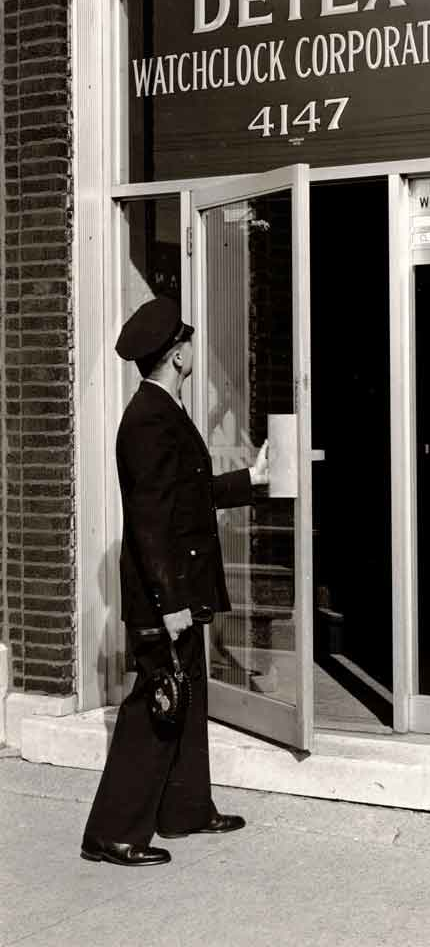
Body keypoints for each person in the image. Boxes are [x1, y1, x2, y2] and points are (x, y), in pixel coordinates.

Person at [81, 296, 269, 867]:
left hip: (179, 585)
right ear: (178, 355)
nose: (192, 352)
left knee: (187, 694)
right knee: (154, 702)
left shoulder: (163, 410)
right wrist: (168, 603)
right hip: (164, 592)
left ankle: (186, 809)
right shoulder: (147, 420)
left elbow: (186, 493)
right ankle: (111, 832)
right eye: (188, 345)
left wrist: (249, 479)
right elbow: (149, 520)